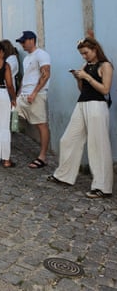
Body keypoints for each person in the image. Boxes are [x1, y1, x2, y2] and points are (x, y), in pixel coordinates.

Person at [48, 36, 113, 198]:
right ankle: (64, 175)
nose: (84, 56)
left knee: (98, 146)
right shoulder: (85, 65)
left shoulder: (106, 66)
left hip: (97, 106)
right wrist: (78, 78)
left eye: (86, 53)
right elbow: (82, 89)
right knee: (68, 139)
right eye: (82, 54)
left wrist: (87, 77)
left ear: (95, 49)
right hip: (82, 104)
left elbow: (105, 90)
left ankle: (102, 187)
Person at [15, 31, 51, 169]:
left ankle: (43, 156)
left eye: (23, 41)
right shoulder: (26, 58)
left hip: (36, 94)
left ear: (31, 40)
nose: (22, 44)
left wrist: (35, 93)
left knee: (41, 124)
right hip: (24, 94)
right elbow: (26, 77)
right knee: (12, 116)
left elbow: (46, 74)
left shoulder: (41, 54)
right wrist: (18, 94)